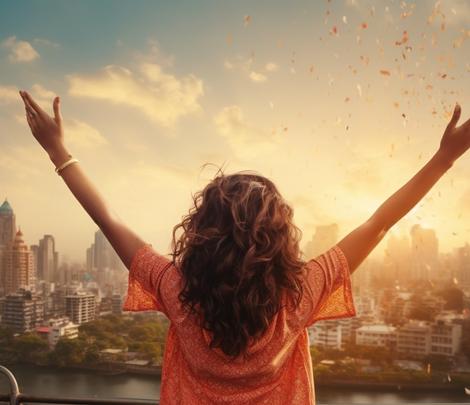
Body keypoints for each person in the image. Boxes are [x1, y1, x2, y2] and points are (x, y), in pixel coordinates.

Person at [19, 90, 470, 404]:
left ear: (200, 234)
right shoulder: (298, 295)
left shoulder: (178, 293)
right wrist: (445, 157)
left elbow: (107, 219)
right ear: (280, 240)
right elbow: (379, 224)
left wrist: (59, 152)